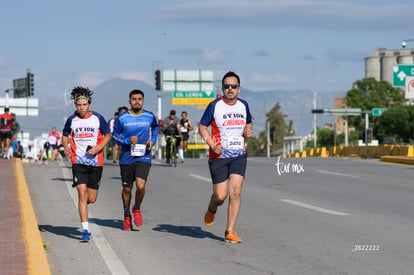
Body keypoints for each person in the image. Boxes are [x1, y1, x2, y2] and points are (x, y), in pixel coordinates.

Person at [199, 71, 253, 243]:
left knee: (236, 191)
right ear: (222, 88)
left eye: (234, 86)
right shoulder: (215, 105)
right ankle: (212, 207)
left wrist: (248, 129)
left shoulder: (244, 105)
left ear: (239, 89)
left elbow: (249, 122)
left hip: (238, 154)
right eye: (227, 86)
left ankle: (230, 231)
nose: (230, 89)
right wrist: (211, 143)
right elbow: (202, 126)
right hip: (218, 155)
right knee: (220, 196)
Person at [62, 86, 111, 242]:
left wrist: (98, 148)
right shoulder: (72, 120)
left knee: (91, 198)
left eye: (84, 105)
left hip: (96, 163)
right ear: (75, 105)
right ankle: (85, 230)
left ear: (89, 104)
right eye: (78, 105)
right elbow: (65, 135)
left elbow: (108, 135)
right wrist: (66, 148)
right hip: (78, 162)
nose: (81, 108)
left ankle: (84, 204)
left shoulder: (98, 118)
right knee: (81, 194)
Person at [112, 90, 159, 231]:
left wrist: (153, 140)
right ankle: (127, 215)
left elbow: (156, 128)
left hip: (144, 155)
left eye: (139, 99)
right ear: (129, 101)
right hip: (127, 158)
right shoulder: (122, 118)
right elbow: (114, 135)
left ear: (143, 101)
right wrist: (127, 140)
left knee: (140, 186)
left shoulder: (149, 116)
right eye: (134, 99)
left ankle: (136, 208)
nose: (137, 101)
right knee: (127, 188)